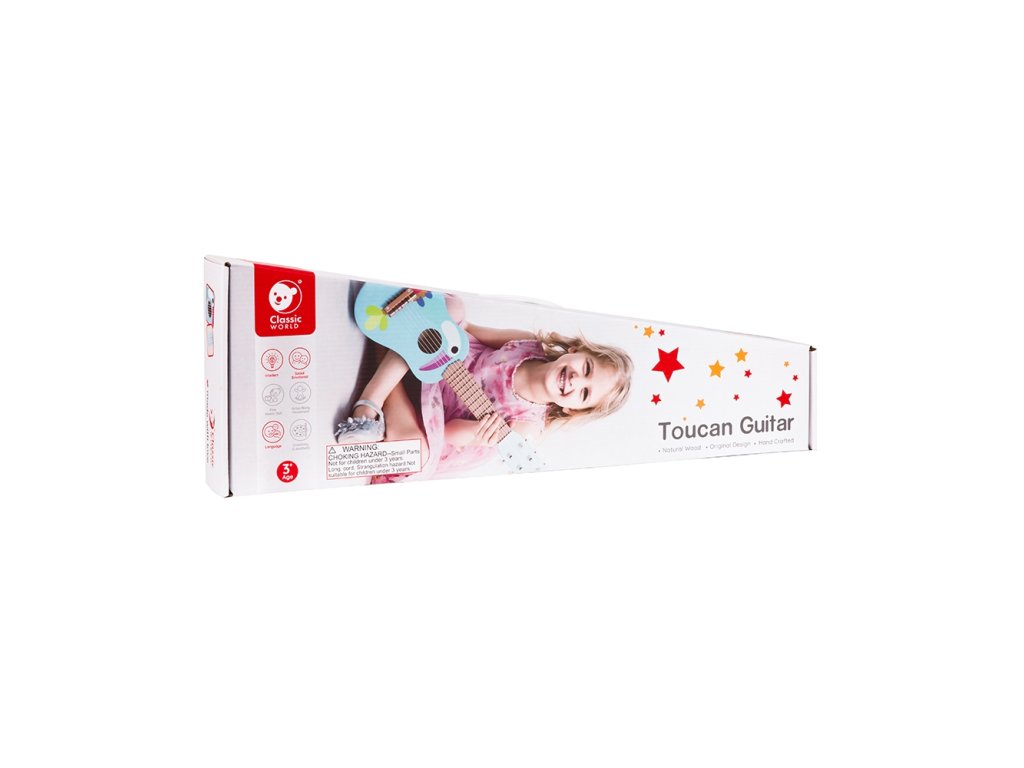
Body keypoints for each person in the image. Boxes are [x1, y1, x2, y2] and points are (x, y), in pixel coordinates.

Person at [336, 294, 632, 482]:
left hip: (431, 420)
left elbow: (449, 432)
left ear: (571, 409)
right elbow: (469, 331)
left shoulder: (525, 428)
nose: (576, 380)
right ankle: (369, 405)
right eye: (587, 368)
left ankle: (383, 349)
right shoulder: (529, 344)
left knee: (413, 454)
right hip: (440, 360)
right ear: (576, 350)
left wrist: (478, 433)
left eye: (584, 393)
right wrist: (443, 321)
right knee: (452, 308)